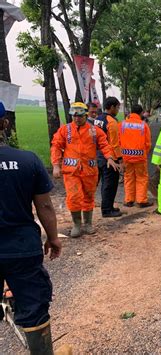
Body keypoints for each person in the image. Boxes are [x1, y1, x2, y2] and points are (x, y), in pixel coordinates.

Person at [0, 101, 62, 354]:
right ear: (4, 124)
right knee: (34, 307)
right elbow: (45, 207)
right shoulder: (27, 160)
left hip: (19, 247)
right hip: (21, 248)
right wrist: (53, 237)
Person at [51, 102, 119, 237]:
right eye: (74, 116)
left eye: (80, 116)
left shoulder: (94, 130)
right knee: (74, 196)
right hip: (71, 171)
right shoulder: (65, 130)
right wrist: (56, 165)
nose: (77, 119)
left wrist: (110, 158)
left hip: (89, 170)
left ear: (85, 115)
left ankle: (87, 223)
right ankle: (77, 224)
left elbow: (105, 144)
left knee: (88, 196)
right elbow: (56, 146)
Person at [93, 97, 123, 217]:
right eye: (117, 107)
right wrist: (120, 160)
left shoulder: (98, 119)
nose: (118, 110)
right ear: (112, 107)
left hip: (99, 155)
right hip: (110, 157)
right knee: (110, 184)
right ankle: (106, 210)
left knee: (105, 183)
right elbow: (115, 144)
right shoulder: (112, 122)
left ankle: (108, 206)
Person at [119, 104, 153, 208]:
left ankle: (129, 200)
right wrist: (144, 153)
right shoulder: (143, 125)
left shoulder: (122, 124)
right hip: (140, 158)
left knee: (128, 177)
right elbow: (148, 143)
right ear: (141, 113)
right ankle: (141, 200)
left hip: (126, 157)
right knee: (141, 178)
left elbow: (118, 141)